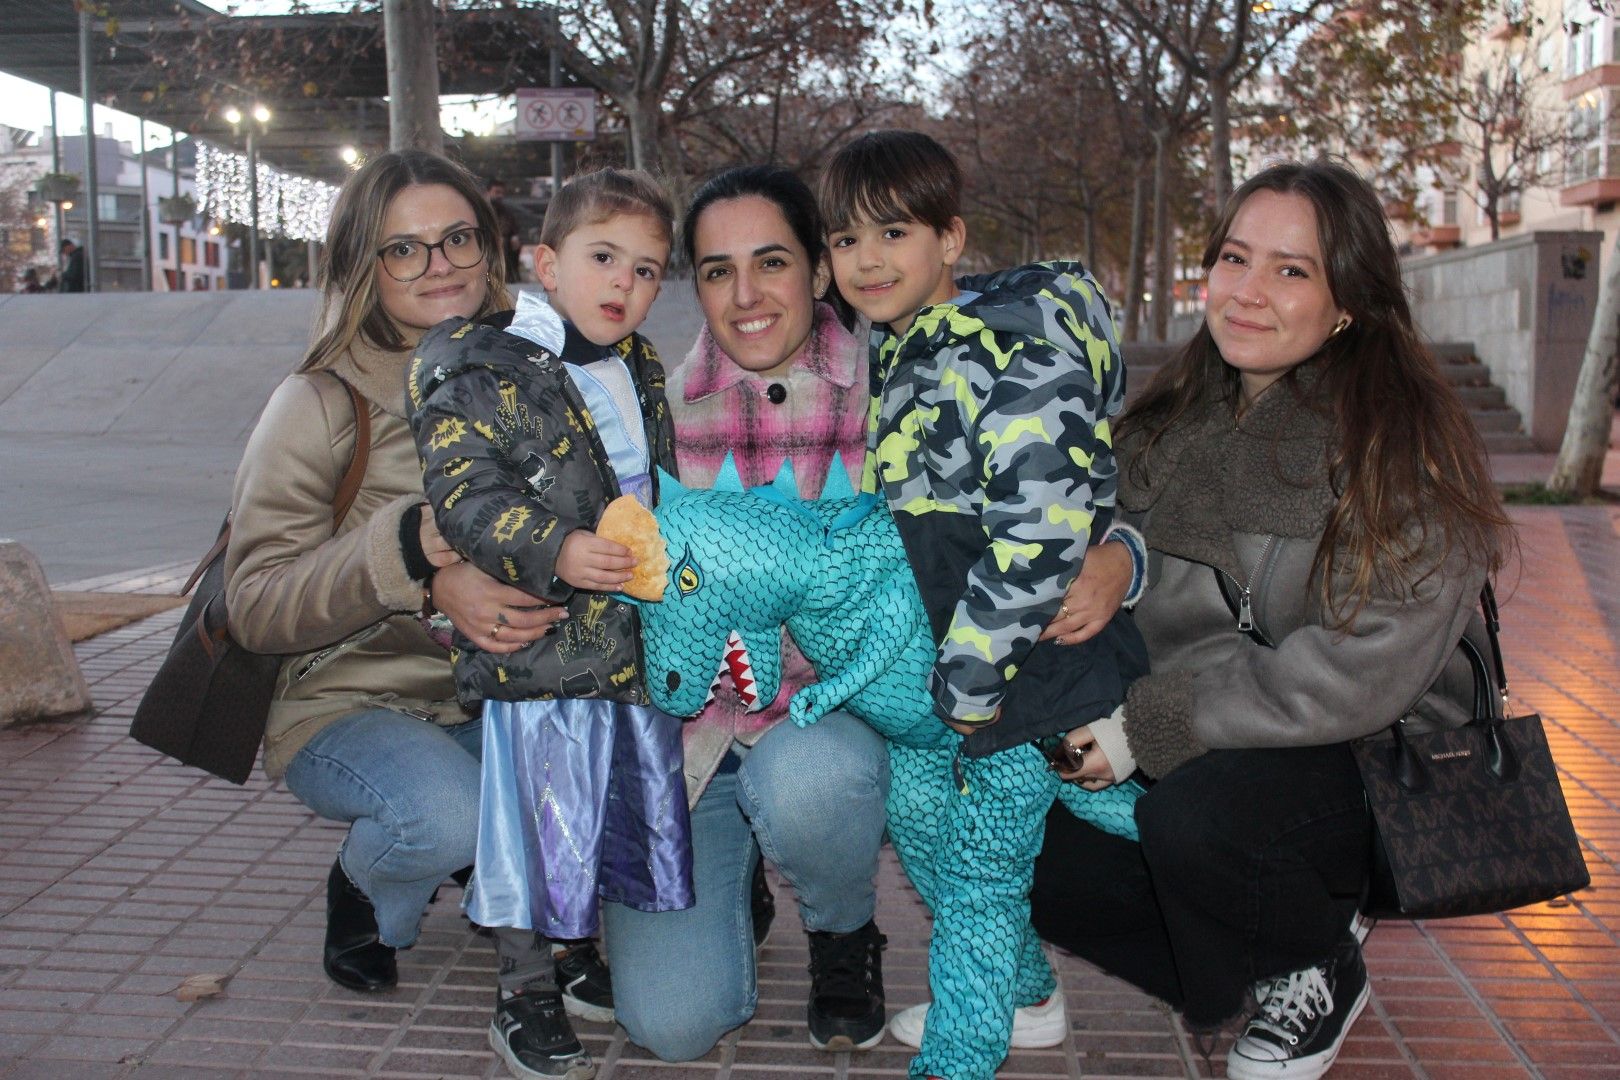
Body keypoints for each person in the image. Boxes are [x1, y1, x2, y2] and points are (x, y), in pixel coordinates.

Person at [1028, 158, 1511, 1080]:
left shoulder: (1401, 447)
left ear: (1348, 303)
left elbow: (1364, 669)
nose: (1247, 293)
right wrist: (1113, 560)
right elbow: (1106, 552)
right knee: (1034, 851)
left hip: (1376, 746)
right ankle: (1266, 932)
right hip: (1217, 733)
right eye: (1234, 259)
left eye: (1291, 270)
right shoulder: (1169, 422)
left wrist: (1147, 726)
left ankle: (1314, 960)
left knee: (1199, 825)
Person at [225, 149, 575, 1076]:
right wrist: (413, 560)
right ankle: (365, 883)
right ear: (362, 268)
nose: (441, 265)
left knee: (589, 840)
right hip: (349, 700)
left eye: (457, 237)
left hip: (500, 696)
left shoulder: (540, 364)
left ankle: (480, 860)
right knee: (447, 817)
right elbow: (254, 603)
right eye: (404, 250)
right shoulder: (319, 401)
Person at [820, 129, 1146, 1080]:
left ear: (950, 239)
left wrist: (963, 686)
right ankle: (1025, 993)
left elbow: (1040, 539)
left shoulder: (1012, 350)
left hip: (1024, 672)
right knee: (920, 817)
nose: (867, 260)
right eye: (845, 240)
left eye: (893, 232)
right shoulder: (899, 349)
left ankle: (963, 1054)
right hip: (953, 678)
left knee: (985, 876)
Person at [599, 165, 892, 1059]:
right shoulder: (645, 406)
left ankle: (844, 933)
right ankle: (740, 886)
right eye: (718, 270)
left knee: (807, 787)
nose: (747, 294)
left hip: (823, 722)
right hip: (693, 737)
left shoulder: (895, 391)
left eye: (772, 262)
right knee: (674, 1026)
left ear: (817, 270)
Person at [409, 168, 693, 1080]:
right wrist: (555, 548)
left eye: (648, 270)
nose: (625, 285)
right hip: (539, 643)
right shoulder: (478, 362)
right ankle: (522, 989)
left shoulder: (638, 361)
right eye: (604, 258)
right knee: (536, 822)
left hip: (627, 639)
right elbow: (466, 496)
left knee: (609, 803)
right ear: (546, 261)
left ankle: (576, 957)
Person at [487, 177, 524, 282]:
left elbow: (513, 226)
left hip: (504, 242)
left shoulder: (505, 211)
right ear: (489, 192)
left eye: (502, 193)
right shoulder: (482, 210)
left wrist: (515, 236)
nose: (500, 196)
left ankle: (509, 276)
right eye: (497, 192)